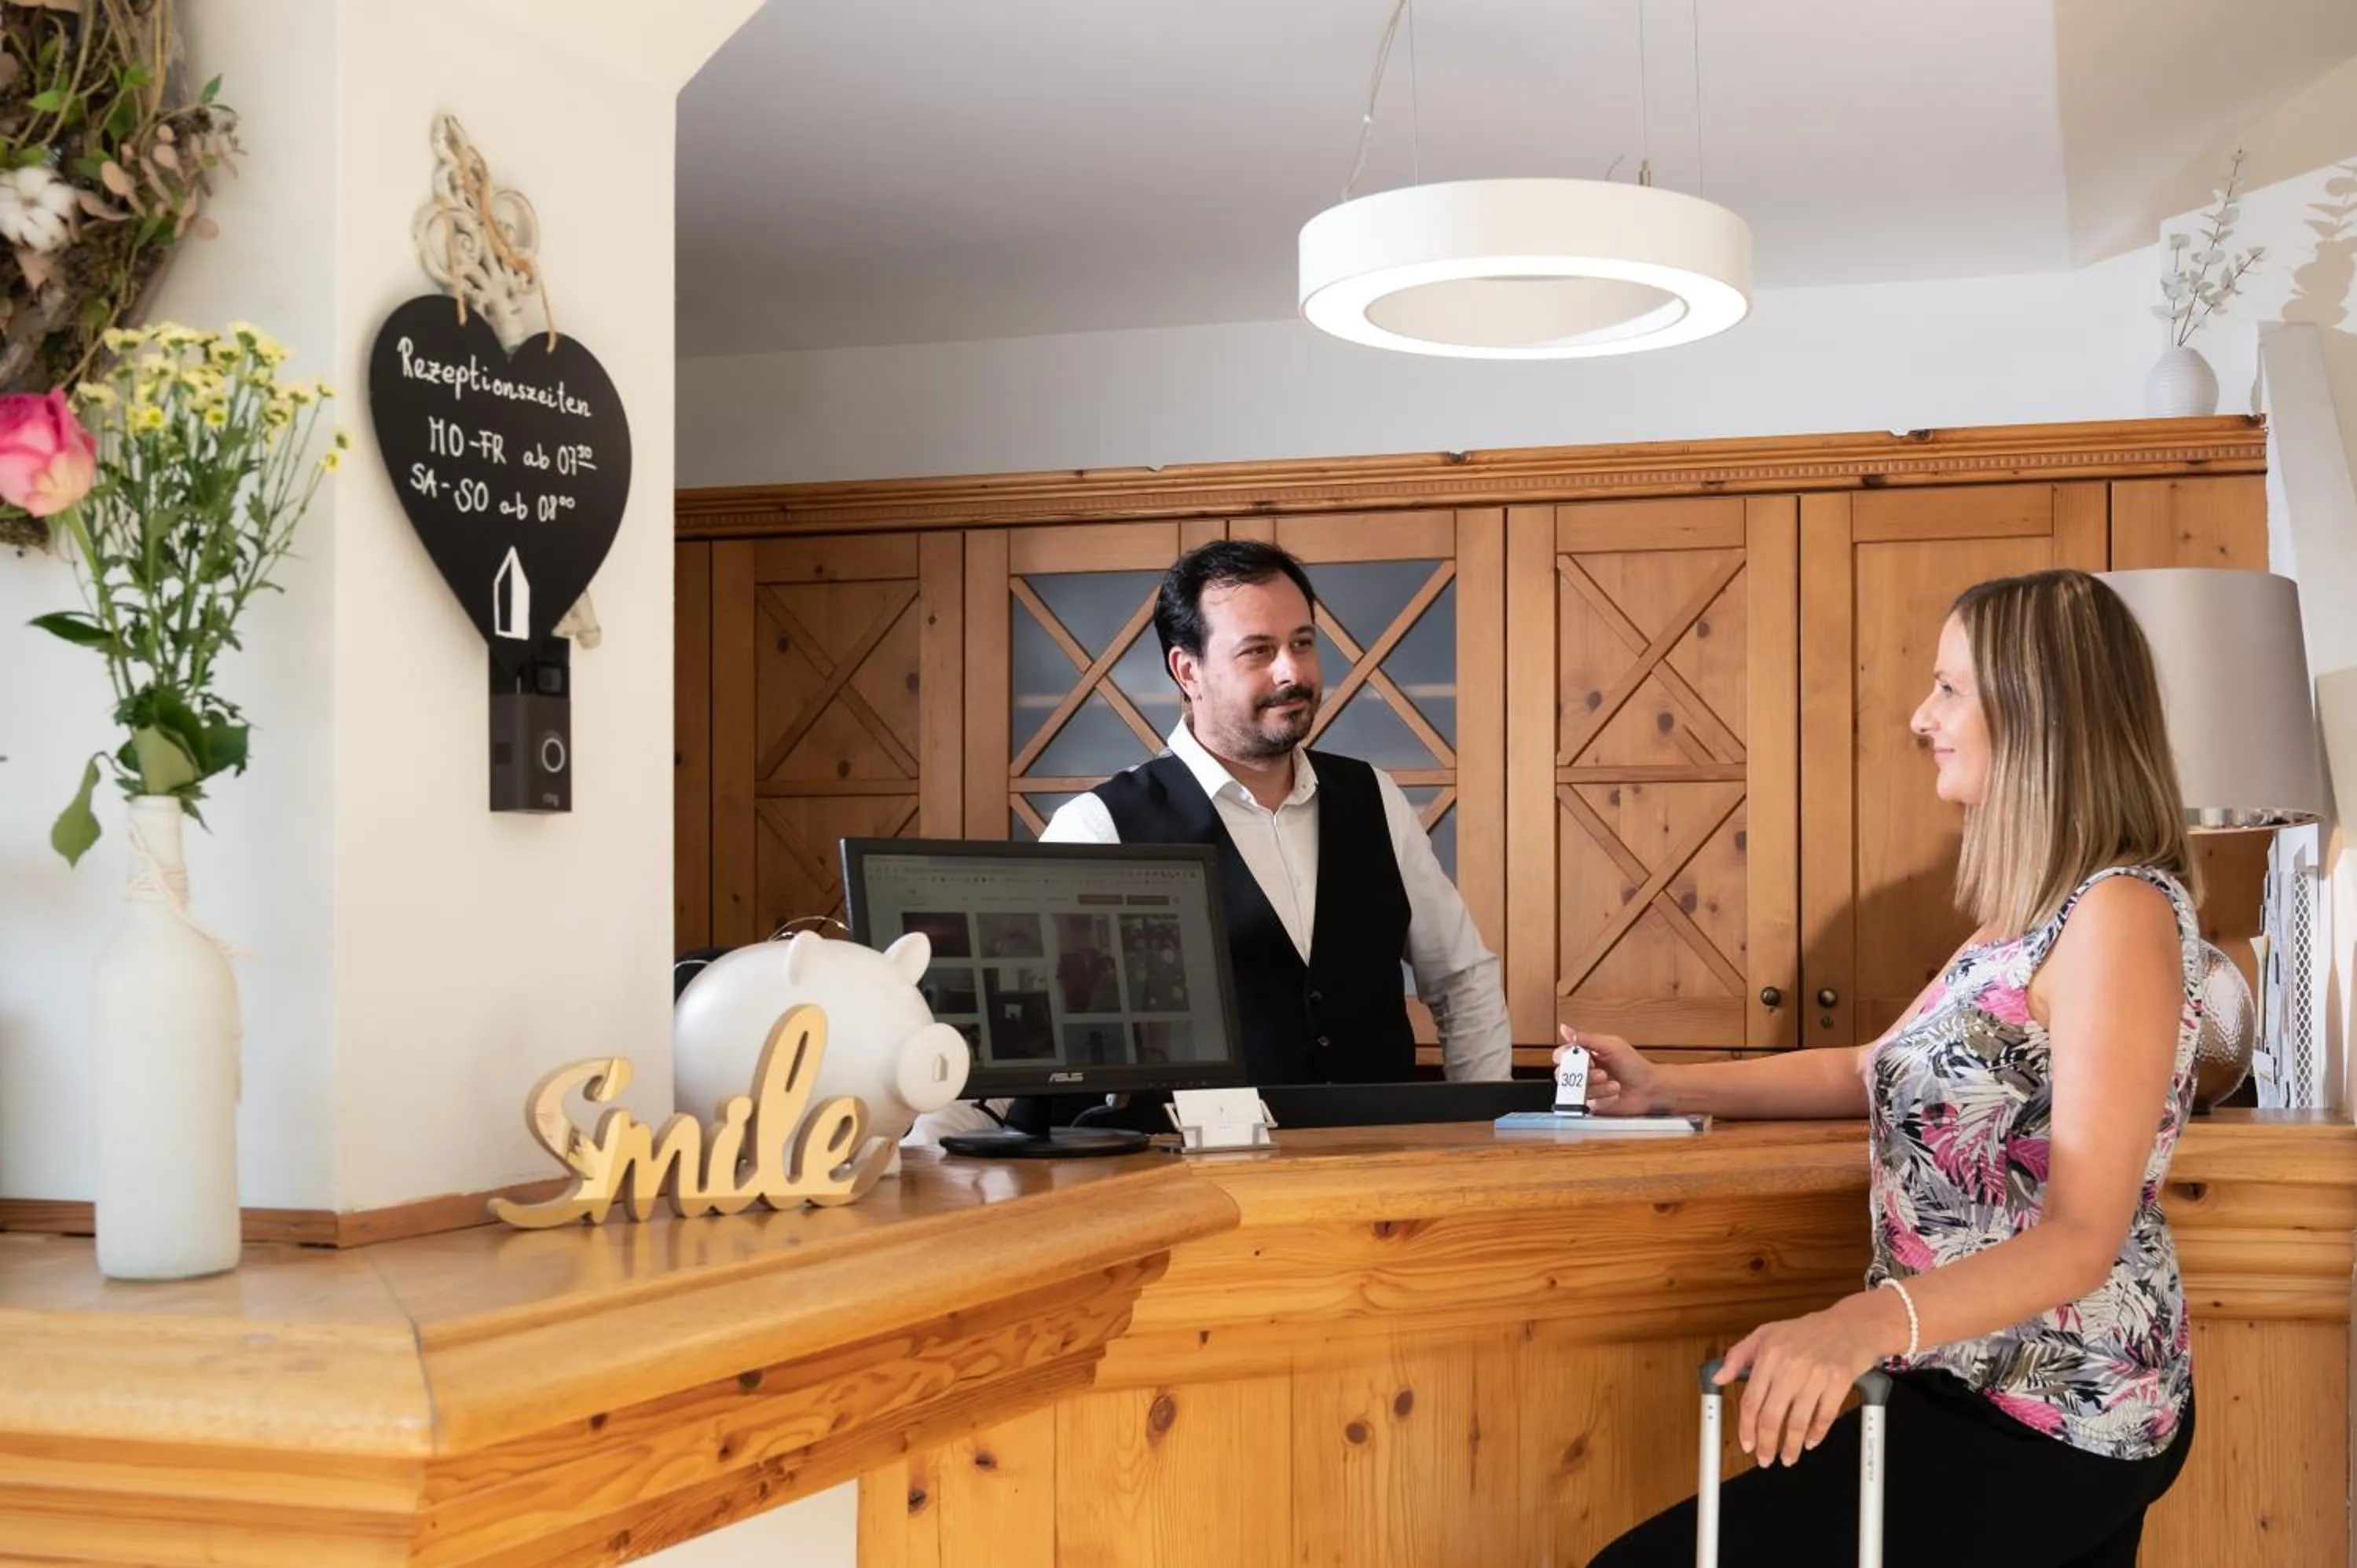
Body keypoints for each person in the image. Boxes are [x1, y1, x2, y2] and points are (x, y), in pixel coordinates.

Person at [1586, 570, 2202, 1568]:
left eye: (1950, 688)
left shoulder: (2118, 914)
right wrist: (1666, 1087)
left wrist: (1857, 1325)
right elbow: (1866, 1066)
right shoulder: (2018, 923)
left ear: (2037, 711)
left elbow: (2085, 1236)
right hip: (1962, 1379)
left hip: (2061, 1414)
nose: (1922, 717)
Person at [914, 540, 1509, 1141]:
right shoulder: (1100, 827)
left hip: (1382, 1174)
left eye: (1303, 643)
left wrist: (1489, 1133)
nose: (1292, 672)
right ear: (1187, 670)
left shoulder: (1374, 798)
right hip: (1192, 1184)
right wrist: (921, 1163)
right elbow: (1004, 1042)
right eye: (1258, 651)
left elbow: (1463, 981)